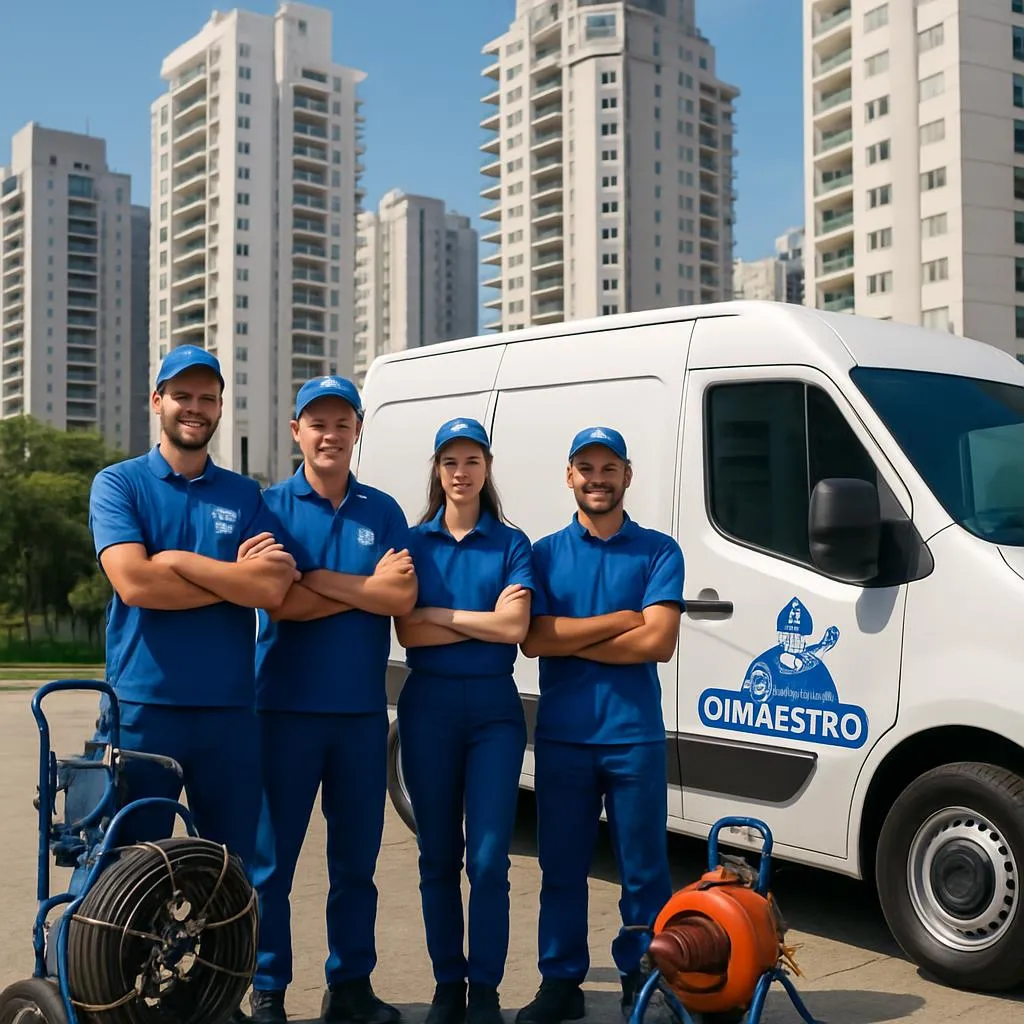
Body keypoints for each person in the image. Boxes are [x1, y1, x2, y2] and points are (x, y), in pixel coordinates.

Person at [246, 375, 418, 1024]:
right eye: (316, 423)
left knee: (355, 867)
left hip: (359, 719)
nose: (329, 434)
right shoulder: (270, 508)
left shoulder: (385, 510)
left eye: (341, 423)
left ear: (357, 431)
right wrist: (360, 587)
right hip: (283, 712)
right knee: (273, 867)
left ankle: (349, 986)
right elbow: (277, 600)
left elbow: (401, 600)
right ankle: (268, 990)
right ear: (296, 431)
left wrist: (316, 579)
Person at [87, 344, 298, 869]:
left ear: (221, 408)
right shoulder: (119, 483)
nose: (194, 407)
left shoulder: (246, 495)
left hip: (229, 712)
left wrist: (178, 561)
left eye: (207, 397)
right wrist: (234, 580)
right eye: (182, 395)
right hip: (142, 709)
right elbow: (135, 583)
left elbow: (272, 590)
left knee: (228, 873)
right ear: (157, 401)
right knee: (128, 875)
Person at [516, 427, 685, 1024]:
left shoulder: (661, 551)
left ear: (627, 476)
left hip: (633, 736)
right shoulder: (543, 553)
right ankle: (560, 982)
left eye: (608, 467)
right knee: (561, 869)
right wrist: (618, 620)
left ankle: (647, 977)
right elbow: (535, 640)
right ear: (569, 477)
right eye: (585, 467)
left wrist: (572, 635)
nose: (597, 478)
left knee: (645, 870)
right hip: (564, 738)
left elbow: (660, 642)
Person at [394, 418, 535, 1024]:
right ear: (437, 469)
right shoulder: (412, 543)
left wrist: (441, 614)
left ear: (487, 467)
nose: (461, 472)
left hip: (494, 714)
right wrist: (478, 615)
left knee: (487, 861)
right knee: (437, 856)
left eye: (471, 460)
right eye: (450, 461)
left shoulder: (511, 543)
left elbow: (515, 629)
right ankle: (448, 986)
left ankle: (486, 992)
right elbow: (405, 628)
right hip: (427, 709)